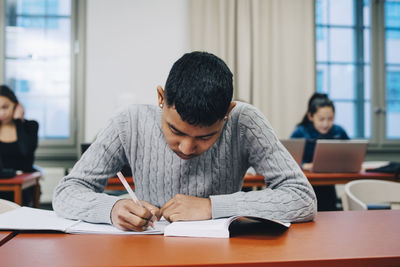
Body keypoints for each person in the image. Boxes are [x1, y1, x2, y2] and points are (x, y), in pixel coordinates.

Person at [53, 51, 316, 231]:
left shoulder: (244, 121)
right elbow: (67, 192)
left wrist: (214, 207)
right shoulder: (129, 123)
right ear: (160, 98)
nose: (187, 148)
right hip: (147, 253)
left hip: (225, 255)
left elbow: (302, 198)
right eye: (175, 131)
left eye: (205, 136)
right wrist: (111, 209)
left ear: (228, 112)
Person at [291, 92, 349, 211]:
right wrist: (303, 165)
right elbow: (289, 159)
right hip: (306, 187)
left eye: (330, 119)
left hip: (328, 185)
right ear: (311, 116)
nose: (326, 123)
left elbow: (351, 154)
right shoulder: (300, 132)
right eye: (321, 119)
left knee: (330, 216)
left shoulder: (339, 131)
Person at [0, 85, 39, 206]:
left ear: (16, 105)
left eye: (5, 107)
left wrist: (18, 122)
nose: (1, 113)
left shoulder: (31, 126)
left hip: (23, 185)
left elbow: (25, 152)